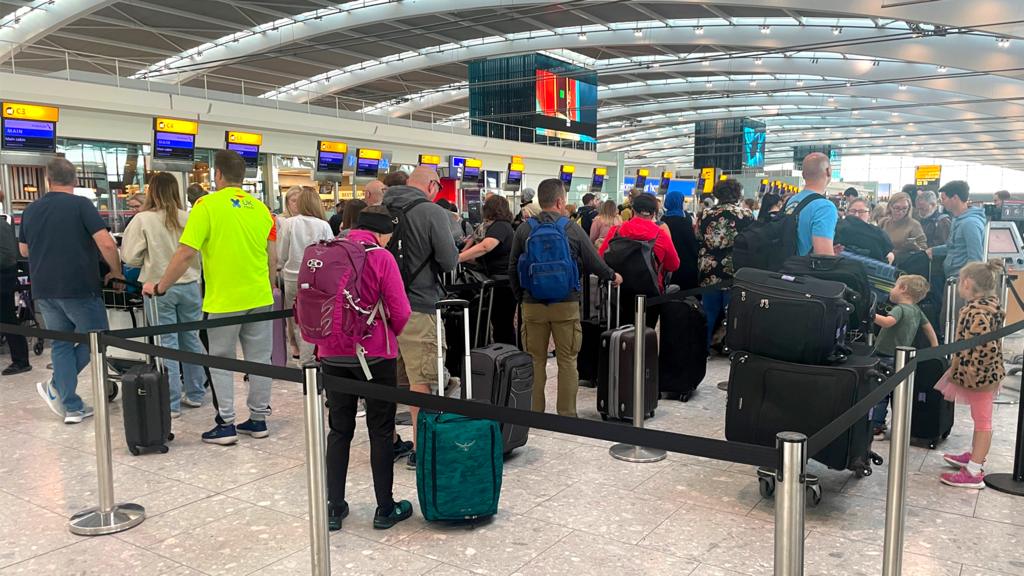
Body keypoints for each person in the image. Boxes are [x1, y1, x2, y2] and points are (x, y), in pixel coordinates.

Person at [143, 150, 278, 445]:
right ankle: (258, 420)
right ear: (244, 177)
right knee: (259, 360)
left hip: (224, 300)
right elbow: (272, 257)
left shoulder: (206, 205)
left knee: (220, 361)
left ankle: (226, 424)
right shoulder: (261, 208)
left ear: (217, 175)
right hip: (260, 297)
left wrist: (161, 286)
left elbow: (186, 253)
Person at [318, 206, 414, 530]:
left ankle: (334, 507)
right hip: (375, 355)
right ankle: (385, 508)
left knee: (339, 429)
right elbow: (400, 311)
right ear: (384, 233)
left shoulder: (330, 252)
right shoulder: (381, 257)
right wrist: (388, 333)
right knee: (381, 431)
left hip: (331, 352)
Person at [19, 157, 123, 423]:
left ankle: (72, 407)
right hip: (78, 285)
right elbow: (107, 243)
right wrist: (116, 271)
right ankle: (58, 386)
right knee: (97, 338)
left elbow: (24, 250)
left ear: (48, 180)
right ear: (75, 180)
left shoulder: (31, 210)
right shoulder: (81, 205)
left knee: (62, 344)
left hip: (44, 287)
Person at [510, 178, 621, 417]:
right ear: (560, 201)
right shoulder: (571, 228)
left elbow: (512, 269)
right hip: (567, 304)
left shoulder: (524, 228)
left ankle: (535, 413)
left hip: (532, 305)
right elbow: (594, 262)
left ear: (541, 200)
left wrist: (522, 298)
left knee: (535, 360)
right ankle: (567, 414)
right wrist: (612, 276)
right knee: (568, 360)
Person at [382, 165, 459, 469]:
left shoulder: (378, 208)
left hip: (381, 311)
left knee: (385, 379)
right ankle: (421, 448)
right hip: (418, 306)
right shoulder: (432, 212)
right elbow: (449, 260)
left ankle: (387, 441)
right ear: (431, 185)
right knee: (422, 381)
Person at [121, 173, 206, 417]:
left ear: (152, 192)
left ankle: (171, 402)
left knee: (166, 343)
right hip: (190, 285)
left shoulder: (143, 219)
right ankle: (196, 393)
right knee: (191, 339)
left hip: (158, 288)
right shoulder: (189, 217)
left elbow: (130, 257)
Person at [936, 259, 1006, 489]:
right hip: (983, 374)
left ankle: (974, 470)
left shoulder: (978, 312)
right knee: (980, 419)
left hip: (979, 376)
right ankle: (975, 455)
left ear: (966, 283)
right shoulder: (990, 306)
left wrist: (970, 373)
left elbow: (984, 348)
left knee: (983, 421)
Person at [869, 275, 939, 439]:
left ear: (903, 289)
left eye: (895, 286)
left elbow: (887, 322)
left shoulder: (899, 309)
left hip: (885, 355)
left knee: (880, 392)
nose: (892, 290)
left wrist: (871, 315)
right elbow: (928, 328)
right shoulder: (916, 310)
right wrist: (935, 346)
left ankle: (877, 426)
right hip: (902, 358)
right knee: (896, 392)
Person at [599, 193, 679, 327]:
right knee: (646, 335)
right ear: (654, 213)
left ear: (632, 210)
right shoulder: (661, 235)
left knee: (620, 333)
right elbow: (674, 265)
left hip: (619, 292)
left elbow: (601, 257)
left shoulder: (616, 231)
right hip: (651, 295)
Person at [278, 186, 334, 365]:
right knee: (315, 317)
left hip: (293, 277)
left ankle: (298, 352)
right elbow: (332, 251)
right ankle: (310, 356)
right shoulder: (323, 225)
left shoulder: (289, 223)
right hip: (317, 277)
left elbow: (282, 254)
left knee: (295, 318)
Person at [696, 179, 754, 351]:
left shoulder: (706, 214)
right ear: (738, 194)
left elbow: (699, 237)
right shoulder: (745, 214)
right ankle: (732, 348)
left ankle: (703, 349)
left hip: (709, 268)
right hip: (734, 268)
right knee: (734, 312)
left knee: (709, 312)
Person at [459, 194, 516, 345]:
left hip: (502, 283)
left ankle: (505, 357)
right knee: (501, 325)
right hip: (503, 282)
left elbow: (486, 246)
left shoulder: (500, 226)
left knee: (502, 325)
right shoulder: (503, 226)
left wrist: (457, 258)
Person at [928, 181, 986, 281]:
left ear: (955, 198)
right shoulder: (957, 219)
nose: (942, 202)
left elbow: (975, 258)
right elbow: (953, 247)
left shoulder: (970, 223)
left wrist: (967, 281)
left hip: (962, 282)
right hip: (953, 279)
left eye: (943, 198)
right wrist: (932, 251)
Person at [785, 152, 839, 257]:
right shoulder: (825, 207)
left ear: (803, 175)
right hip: (803, 270)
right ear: (828, 171)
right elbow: (823, 258)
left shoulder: (791, 201)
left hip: (786, 266)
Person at [0, 188, 30, 375]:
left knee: (7, 318)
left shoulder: (2, 222)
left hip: (3, 278)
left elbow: (7, 256)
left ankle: (21, 360)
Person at [835, 199, 895, 263]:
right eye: (853, 211)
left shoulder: (880, 234)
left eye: (861, 211)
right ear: (847, 213)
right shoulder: (838, 229)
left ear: (869, 214)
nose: (856, 215)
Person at [662, 189, 700, 291]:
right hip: (687, 263)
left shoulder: (662, 219)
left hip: (668, 263)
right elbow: (691, 242)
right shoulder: (685, 219)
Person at [880, 191, 928, 256]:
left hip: (902, 264)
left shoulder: (914, 225)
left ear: (909, 209)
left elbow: (923, 249)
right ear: (890, 206)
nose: (900, 211)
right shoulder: (883, 222)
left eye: (904, 208)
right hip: (883, 261)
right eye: (897, 208)